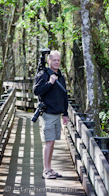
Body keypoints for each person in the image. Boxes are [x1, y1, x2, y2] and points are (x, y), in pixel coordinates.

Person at [33, 50, 68, 179]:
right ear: (49, 61)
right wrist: (50, 83)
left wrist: (65, 113)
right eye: (54, 60)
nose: (57, 62)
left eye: (58, 60)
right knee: (49, 142)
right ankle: (46, 171)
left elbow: (64, 95)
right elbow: (36, 91)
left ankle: (49, 168)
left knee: (52, 142)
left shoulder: (60, 75)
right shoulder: (44, 74)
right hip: (47, 113)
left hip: (57, 114)